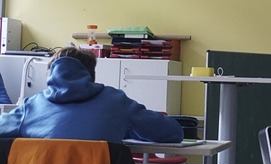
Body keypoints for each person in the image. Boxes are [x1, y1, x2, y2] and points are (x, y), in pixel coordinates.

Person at [0, 47, 184, 143]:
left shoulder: (31, 106)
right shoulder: (116, 101)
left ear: (50, 74)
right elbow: (173, 133)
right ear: (90, 74)